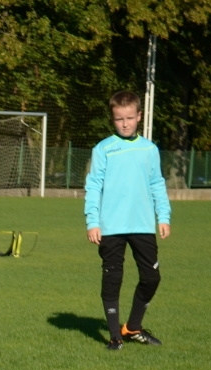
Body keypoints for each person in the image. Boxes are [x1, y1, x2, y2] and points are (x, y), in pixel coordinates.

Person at [85, 90, 172, 351]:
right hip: (110, 227)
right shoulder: (103, 149)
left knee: (151, 278)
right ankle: (114, 336)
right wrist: (92, 221)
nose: (124, 124)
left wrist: (163, 216)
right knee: (113, 279)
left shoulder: (149, 149)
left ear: (139, 117)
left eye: (129, 118)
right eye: (119, 119)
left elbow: (157, 183)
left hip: (143, 226)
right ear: (112, 119)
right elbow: (93, 186)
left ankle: (133, 327)